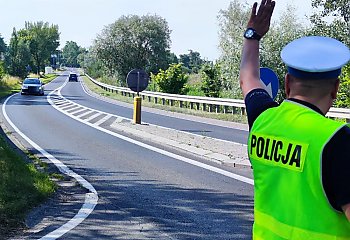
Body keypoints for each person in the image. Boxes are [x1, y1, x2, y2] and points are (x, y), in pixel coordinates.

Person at [239, 0, 350, 239]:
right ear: (335, 89)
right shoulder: (338, 140)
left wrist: (253, 35)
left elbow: (248, 78)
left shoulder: (262, 119)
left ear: (287, 83)